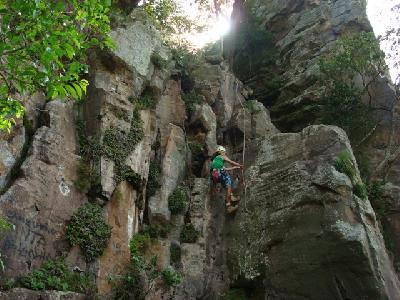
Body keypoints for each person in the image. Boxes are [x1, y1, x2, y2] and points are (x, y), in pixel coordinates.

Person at [210, 145, 243, 212]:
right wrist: (239, 165)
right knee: (229, 184)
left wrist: (235, 168)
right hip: (220, 173)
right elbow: (231, 162)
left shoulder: (216, 159)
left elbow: (225, 169)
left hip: (215, 175)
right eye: (224, 152)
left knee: (227, 186)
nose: (225, 153)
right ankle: (229, 206)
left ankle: (231, 197)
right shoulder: (222, 156)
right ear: (222, 152)